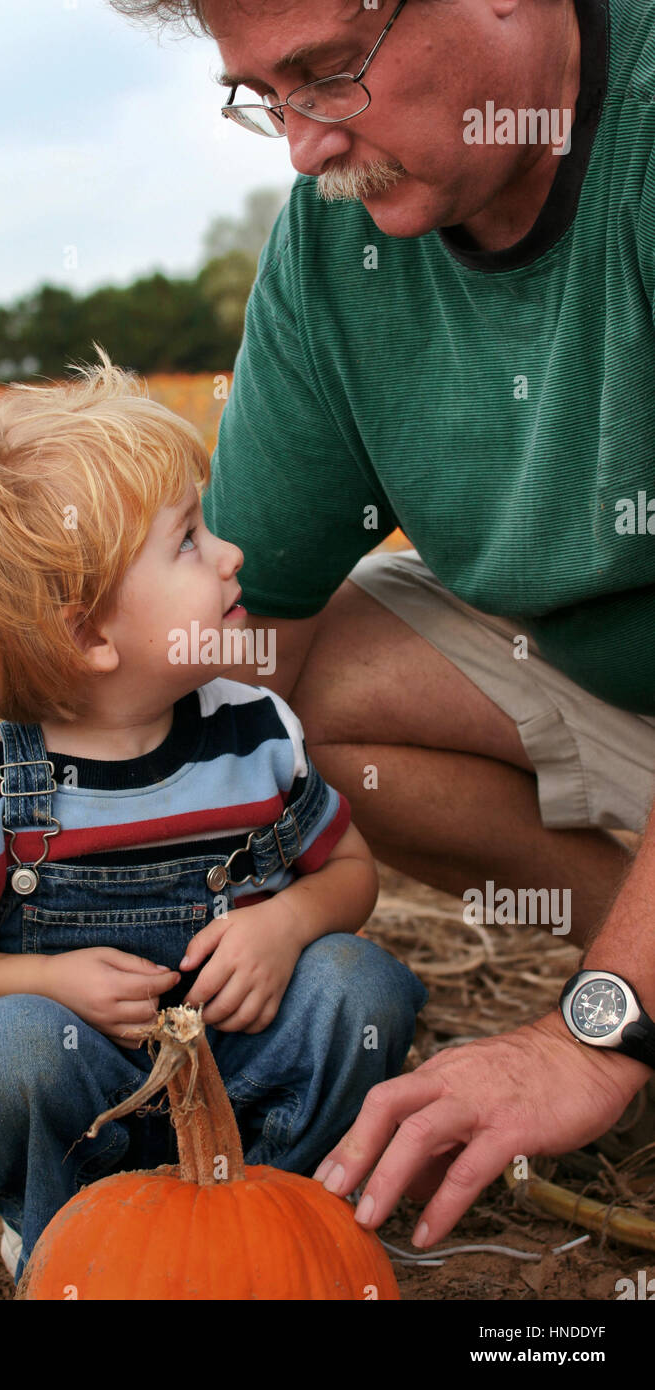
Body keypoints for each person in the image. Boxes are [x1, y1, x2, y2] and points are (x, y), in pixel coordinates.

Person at [107, 0, 655, 1250]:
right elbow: (250, 648)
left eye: (328, 72)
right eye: (261, 93)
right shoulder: (337, 246)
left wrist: (599, 1027)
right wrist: (110, 925)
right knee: (296, 712)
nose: (300, 145)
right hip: (601, 674)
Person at [0, 353, 427, 1284]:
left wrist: (288, 922)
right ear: (88, 636)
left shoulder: (255, 731)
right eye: (190, 542)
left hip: (247, 1063)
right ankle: (68, 1227)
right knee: (12, 1049)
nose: (232, 553)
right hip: (90, 1086)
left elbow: (349, 870)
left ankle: (282, 1213)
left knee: (359, 985)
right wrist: (50, 978)